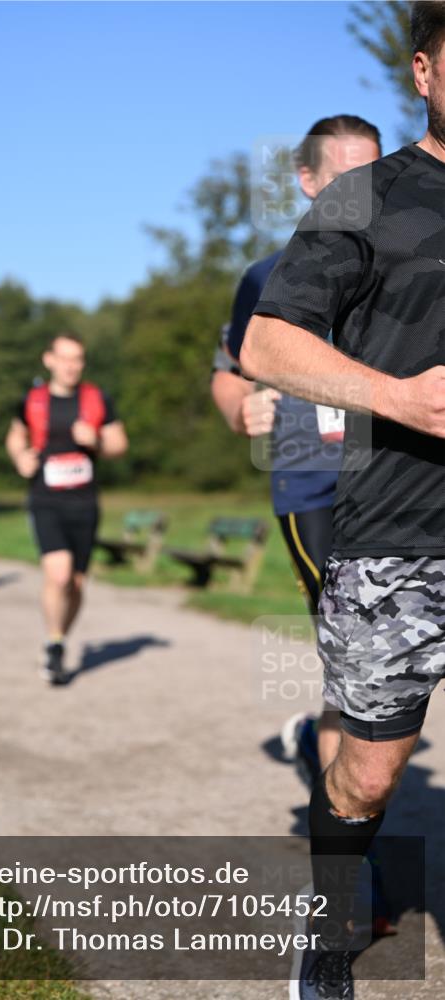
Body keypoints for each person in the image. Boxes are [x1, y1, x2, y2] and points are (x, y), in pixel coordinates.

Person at [241, 5, 445, 997]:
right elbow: (265, 346)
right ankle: (326, 924)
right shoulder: (368, 199)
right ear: (422, 70)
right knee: (367, 772)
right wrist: (397, 396)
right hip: (399, 533)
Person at [212, 116, 382, 787]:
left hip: (399, 480)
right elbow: (227, 369)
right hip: (310, 481)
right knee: (356, 649)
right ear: (307, 181)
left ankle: (323, 743)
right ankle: (348, 840)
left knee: (381, 657)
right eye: (344, 180)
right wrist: (237, 405)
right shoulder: (265, 278)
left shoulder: (417, 267)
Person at [6, 332, 128, 683]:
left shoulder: (97, 399)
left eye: (77, 359)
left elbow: (120, 443)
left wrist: (99, 440)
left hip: (85, 501)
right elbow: (15, 436)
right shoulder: (31, 400)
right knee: (58, 574)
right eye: (65, 358)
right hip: (46, 498)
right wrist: (20, 458)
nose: (71, 365)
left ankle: (55, 638)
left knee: (75, 584)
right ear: (49, 360)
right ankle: (57, 645)